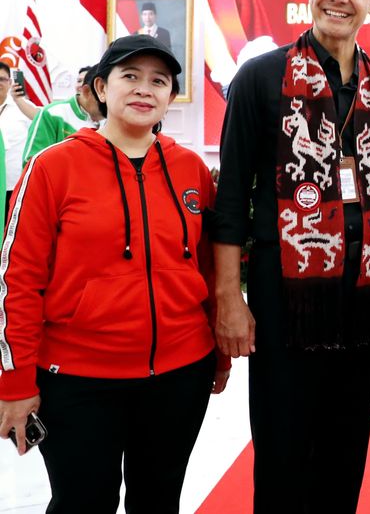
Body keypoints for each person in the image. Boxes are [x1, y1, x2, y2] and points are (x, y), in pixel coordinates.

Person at [212, 0, 370, 514]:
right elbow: (232, 200)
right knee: (282, 455)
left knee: (345, 455)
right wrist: (230, 297)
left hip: (362, 303)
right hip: (285, 302)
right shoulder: (261, 79)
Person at [0, 34, 229, 513]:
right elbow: (17, 281)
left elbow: (207, 266)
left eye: (159, 81)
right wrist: (16, 383)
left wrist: (217, 355)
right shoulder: (51, 168)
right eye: (131, 76)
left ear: (170, 96)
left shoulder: (191, 170)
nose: (145, 89)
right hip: (79, 380)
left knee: (159, 499)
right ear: (101, 88)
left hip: (179, 375)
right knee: (83, 502)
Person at [21, 65, 105, 165]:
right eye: (101, 96)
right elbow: (31, 163)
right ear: (87, 92)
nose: (107, 104)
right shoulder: (53, 113)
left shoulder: (112, 120)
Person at [0, 63, 32, 212]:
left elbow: (43, 122)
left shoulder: (23, 107)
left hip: (15, 185)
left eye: (2, 79)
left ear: (10, 82)